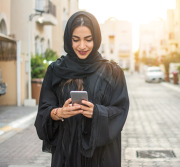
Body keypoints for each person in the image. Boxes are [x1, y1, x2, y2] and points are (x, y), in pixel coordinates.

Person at [35, 11, 129, 167]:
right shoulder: (55, 71)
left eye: (88, 39)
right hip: (66, 155)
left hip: (101, 156)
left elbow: (120, 110)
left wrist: (98, 112)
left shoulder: (113, 72)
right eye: (76, 40)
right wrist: (58, 113)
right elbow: (43, 111)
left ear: (96, 39)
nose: (82, 46)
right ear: (68, 39)